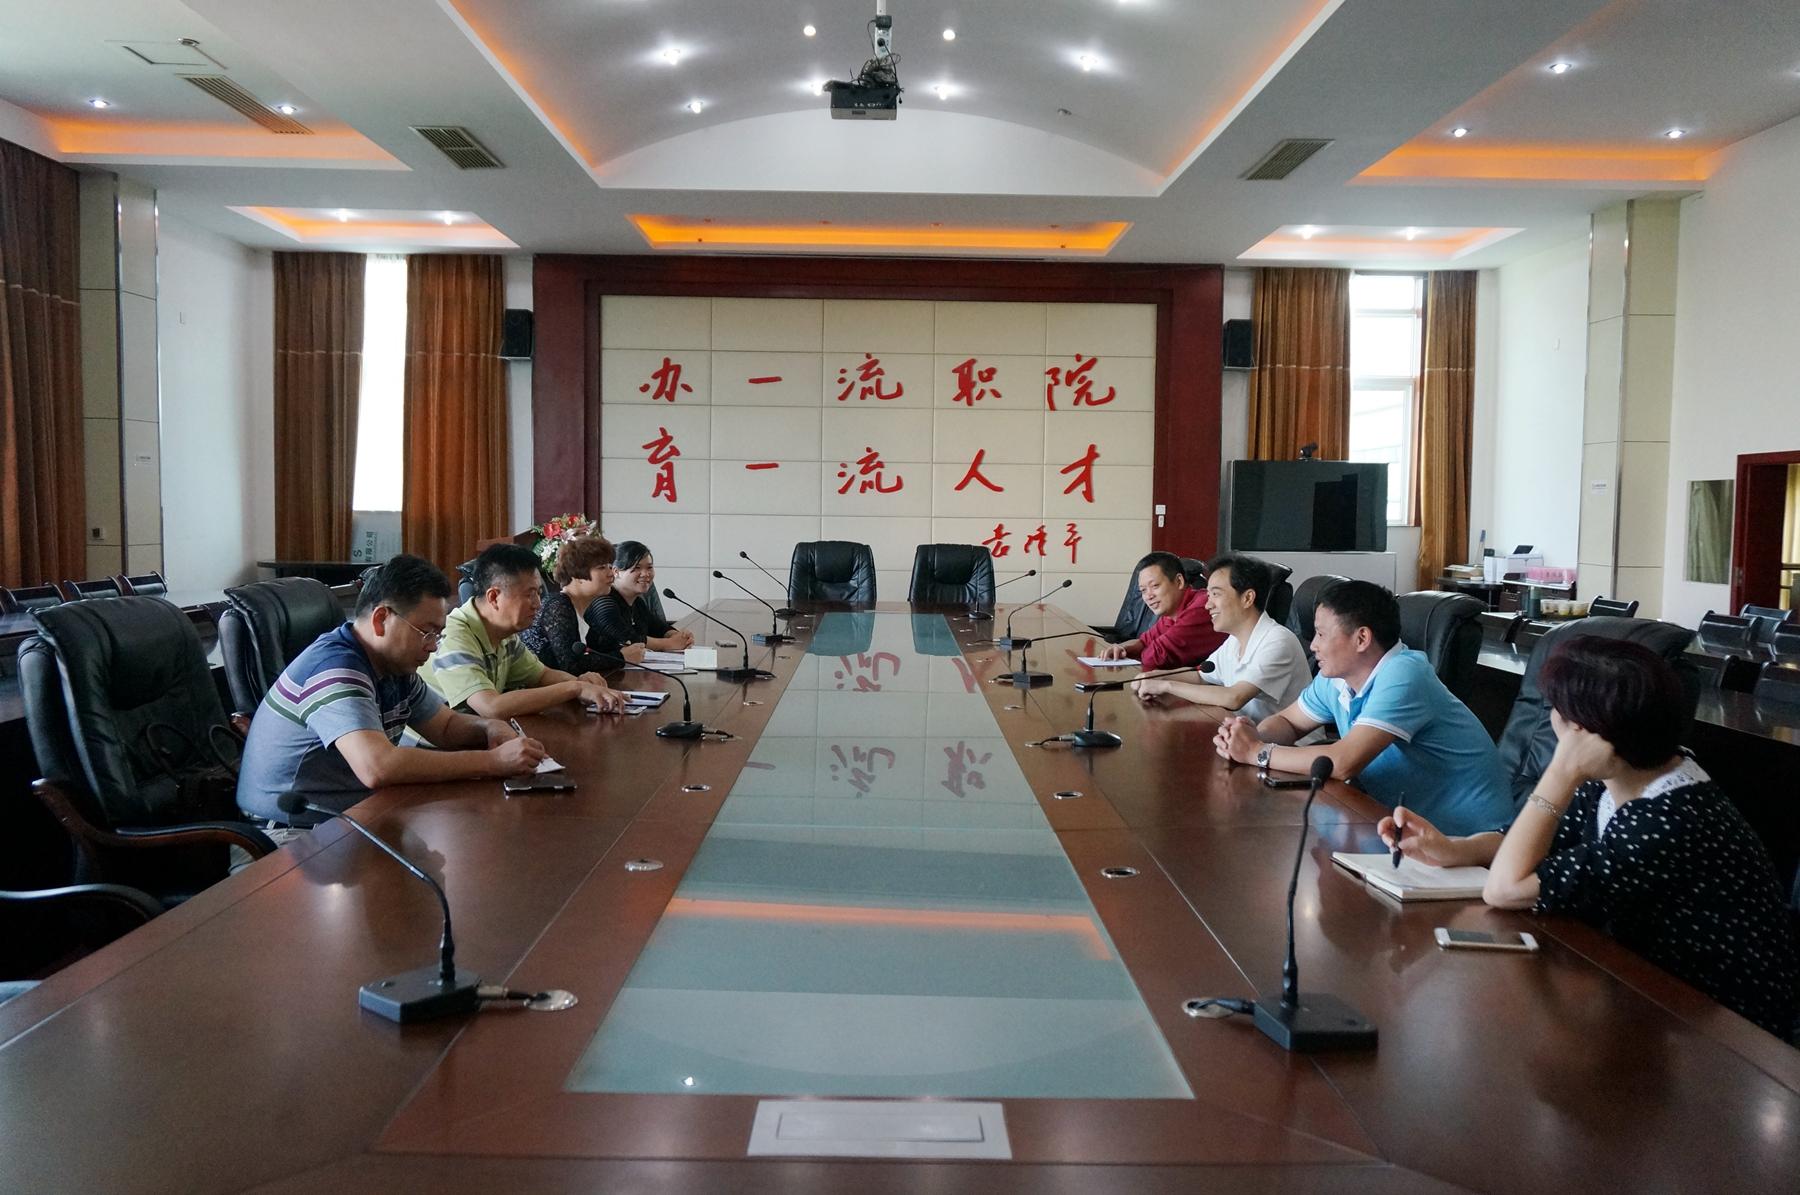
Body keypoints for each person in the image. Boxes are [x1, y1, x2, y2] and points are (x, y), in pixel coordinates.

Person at [1380, 637, 1798, 1041]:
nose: (1551, 720)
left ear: (1584, 731)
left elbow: (1505, 889)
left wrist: (1560, 772)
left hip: (1727, 1033)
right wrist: (1455, 848)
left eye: (1556, 711)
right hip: (1649, 992)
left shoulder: (1665, 820)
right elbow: (1536, 843)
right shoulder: (1622, 776)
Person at [235, 554, 548, 824]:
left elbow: (446, 726)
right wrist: (494, 762)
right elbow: (377, 766)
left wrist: (488, 727)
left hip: (357, 813)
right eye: (426, 632)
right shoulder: (335, 669)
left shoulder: (394, 666)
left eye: (438, 635)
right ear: (381, 619)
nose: (433, 646)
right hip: (291, 832)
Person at [1213, 578, 1512, 836]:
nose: (1313, 645)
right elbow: (1288, 723)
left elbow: (1344, 762)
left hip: (1468, 840)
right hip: (1398, 826)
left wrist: (1256, 752)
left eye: (1321, 634)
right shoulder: (1335, 678)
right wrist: (1248, 734)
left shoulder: (1404, 674)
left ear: (1362, 639)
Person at [423, 543, 626, 716]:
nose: (538, 603)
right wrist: (575, 688)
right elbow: (491, 707)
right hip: (433, 747)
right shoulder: (455, 635)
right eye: (529, 594)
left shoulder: (504, 634)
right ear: (494, 597)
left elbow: (541, 675)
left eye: (538, 593)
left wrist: (584, 684)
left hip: (479, 735)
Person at [1131, 553, 1310, 722]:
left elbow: (1234, 697)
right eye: (1208, 595)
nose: (1207, 605)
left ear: (1247, 598)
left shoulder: (1277, 641)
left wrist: (1166, 686)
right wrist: (1156, 676)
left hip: (1284, 742)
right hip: (1245, 734)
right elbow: (1202, 677)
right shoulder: (1234, 640)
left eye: (1216, 594)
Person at [1096, 552, 1226, 669]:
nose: (1148, 596)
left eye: (1155, 586)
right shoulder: (1171, 613)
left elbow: (1155, 658)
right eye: (1143, 590)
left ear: (1179, 581)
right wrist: (1121, 648)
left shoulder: (1202, 606)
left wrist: (1131, 653)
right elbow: (1143, 642)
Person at [519, 532, 621, 674]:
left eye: (610, 566)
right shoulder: (557, 606)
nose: (611, 573)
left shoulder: (590, 606)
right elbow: (570, 664)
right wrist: (621, 657)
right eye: (601, 567)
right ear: (577, 574)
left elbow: (605, 649)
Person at [587, 540, 695, 663]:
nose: (645, 574)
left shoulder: (637, 602)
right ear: (616, 572)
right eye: (637, 568)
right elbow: (628, 638)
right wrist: (669, 644)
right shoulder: (603, 602)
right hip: (604, 672)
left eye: (649, 567)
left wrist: (677, 636)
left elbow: (658, 627)